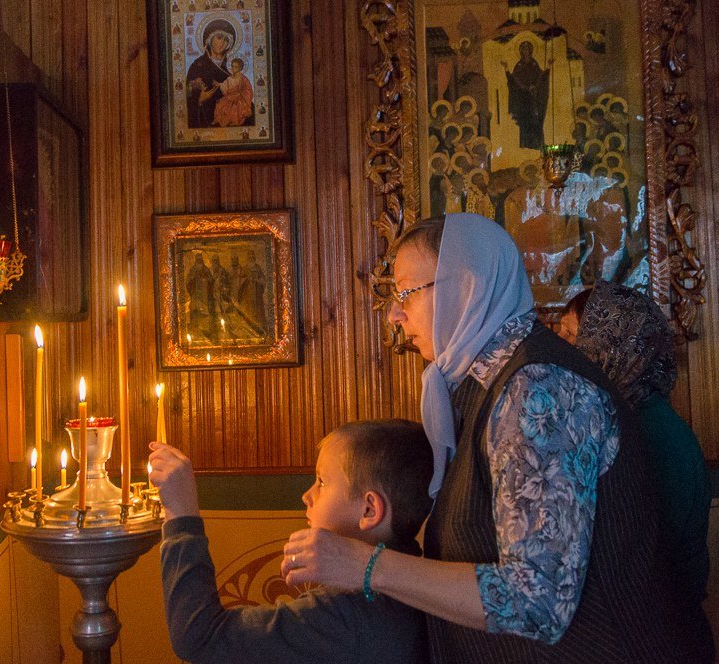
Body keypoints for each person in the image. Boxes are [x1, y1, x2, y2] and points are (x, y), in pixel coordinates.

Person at [280, 213, 712, 662]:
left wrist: (365, 566)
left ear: (466, 288)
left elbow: (537, 600)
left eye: (406, 291)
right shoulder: (483, 383)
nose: (394, 313)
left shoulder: (538, 388)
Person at [148, 420, 432, 664]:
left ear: (369, 510)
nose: (307, 496)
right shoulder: (416, 579)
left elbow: (200, 637)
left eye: (321, 482)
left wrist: (181, 514)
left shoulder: (347, 614)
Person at [559, 282, 711, 620]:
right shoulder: (627, 416)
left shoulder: (646, 431)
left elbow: (643, 556)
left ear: (611, 344)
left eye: (572, 335)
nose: (564, 348)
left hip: (662, 627)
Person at [186, 19, 235, 128]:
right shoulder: (197, 66)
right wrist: (199, 99)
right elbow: (187, 94)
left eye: (226, 40)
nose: (222, 43)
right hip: (204, 119)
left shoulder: (232, 68)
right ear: (209, 39)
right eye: (219, 37)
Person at [208, 57, 253, 127]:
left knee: (234, 108)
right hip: (230, 97)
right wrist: (219, 84)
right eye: (232, 66)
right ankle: (218, 120)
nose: (233, 68)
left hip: (239, 97)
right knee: (220, 105)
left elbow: (248, 89)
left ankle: (234, 121)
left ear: (240, 68)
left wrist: (241, 94)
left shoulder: (243, 79)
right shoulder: (229, 78)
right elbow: (224, 85)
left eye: (236, 67)